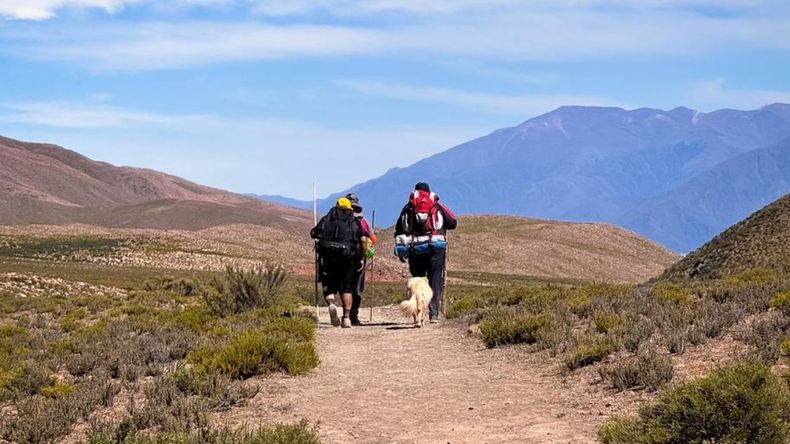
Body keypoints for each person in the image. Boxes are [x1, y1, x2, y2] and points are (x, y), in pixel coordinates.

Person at [394, 182, 457, 323]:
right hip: (435, 248)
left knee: (418, 281)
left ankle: (418, 314)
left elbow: (399, 229)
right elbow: (453, 222)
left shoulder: (408, 207)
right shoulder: (436, 206)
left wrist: (402, 252)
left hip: (414, 249)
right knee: (435, 280)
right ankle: (433, 314)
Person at [311, 197, 364, 328]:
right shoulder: (353, 221)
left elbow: (314, 233)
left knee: (329, 285)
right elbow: (361, 240)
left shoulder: (327, 218)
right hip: (347, 258)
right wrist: (361, 258)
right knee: (346, 288)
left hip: (328, 257)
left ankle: (331, 304)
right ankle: (346, 318)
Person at [345, 193, 377, 326]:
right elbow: (373, 240)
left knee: (345, 287)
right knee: (356, 288)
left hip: (342, 257)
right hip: (359, 257)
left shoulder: (337, 219)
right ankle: (353, 316)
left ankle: (345, 315)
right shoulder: (363, 221)